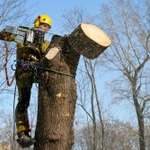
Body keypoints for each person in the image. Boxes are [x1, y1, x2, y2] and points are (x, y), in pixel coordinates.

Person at [0, 14, 52, 148]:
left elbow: (48, 54)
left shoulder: (45, 43)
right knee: (24, 99)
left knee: (50, 96)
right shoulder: (24, 34)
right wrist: (13, 31)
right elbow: (4, 36)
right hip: (25, 71)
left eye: (47, 27)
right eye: (44, 26)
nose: (45, 29)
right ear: (37, 24)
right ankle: (23, 134)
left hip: (39, 72)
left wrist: (40, 45)